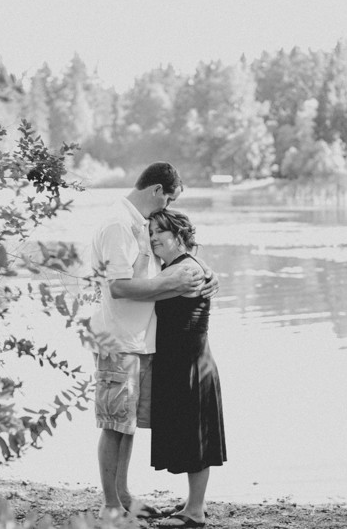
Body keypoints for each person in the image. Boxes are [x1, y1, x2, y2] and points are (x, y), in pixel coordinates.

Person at [88, 162, 218, 521]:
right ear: (157, 190)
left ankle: (124, 495)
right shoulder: (118, 224)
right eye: (169, 198)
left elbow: (174, 258)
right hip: (118, 342)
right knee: (114, 425)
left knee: (126, 425)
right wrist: (172, 285)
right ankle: (111, 505)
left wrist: (206, 274)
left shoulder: (138, 223)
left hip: (141, 342)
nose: (167, 208)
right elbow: (119, 286)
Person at [148, 209, 226, 529]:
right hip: (188, 359)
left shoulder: (181, 271)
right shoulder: (184, 266)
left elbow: (139, 293)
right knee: (191, 436)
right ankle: (194, 504)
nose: (153, 238)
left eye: (159, 232)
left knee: (195, 439)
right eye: (150, 232)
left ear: (178, 236)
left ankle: (194, 512)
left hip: (189, 363)